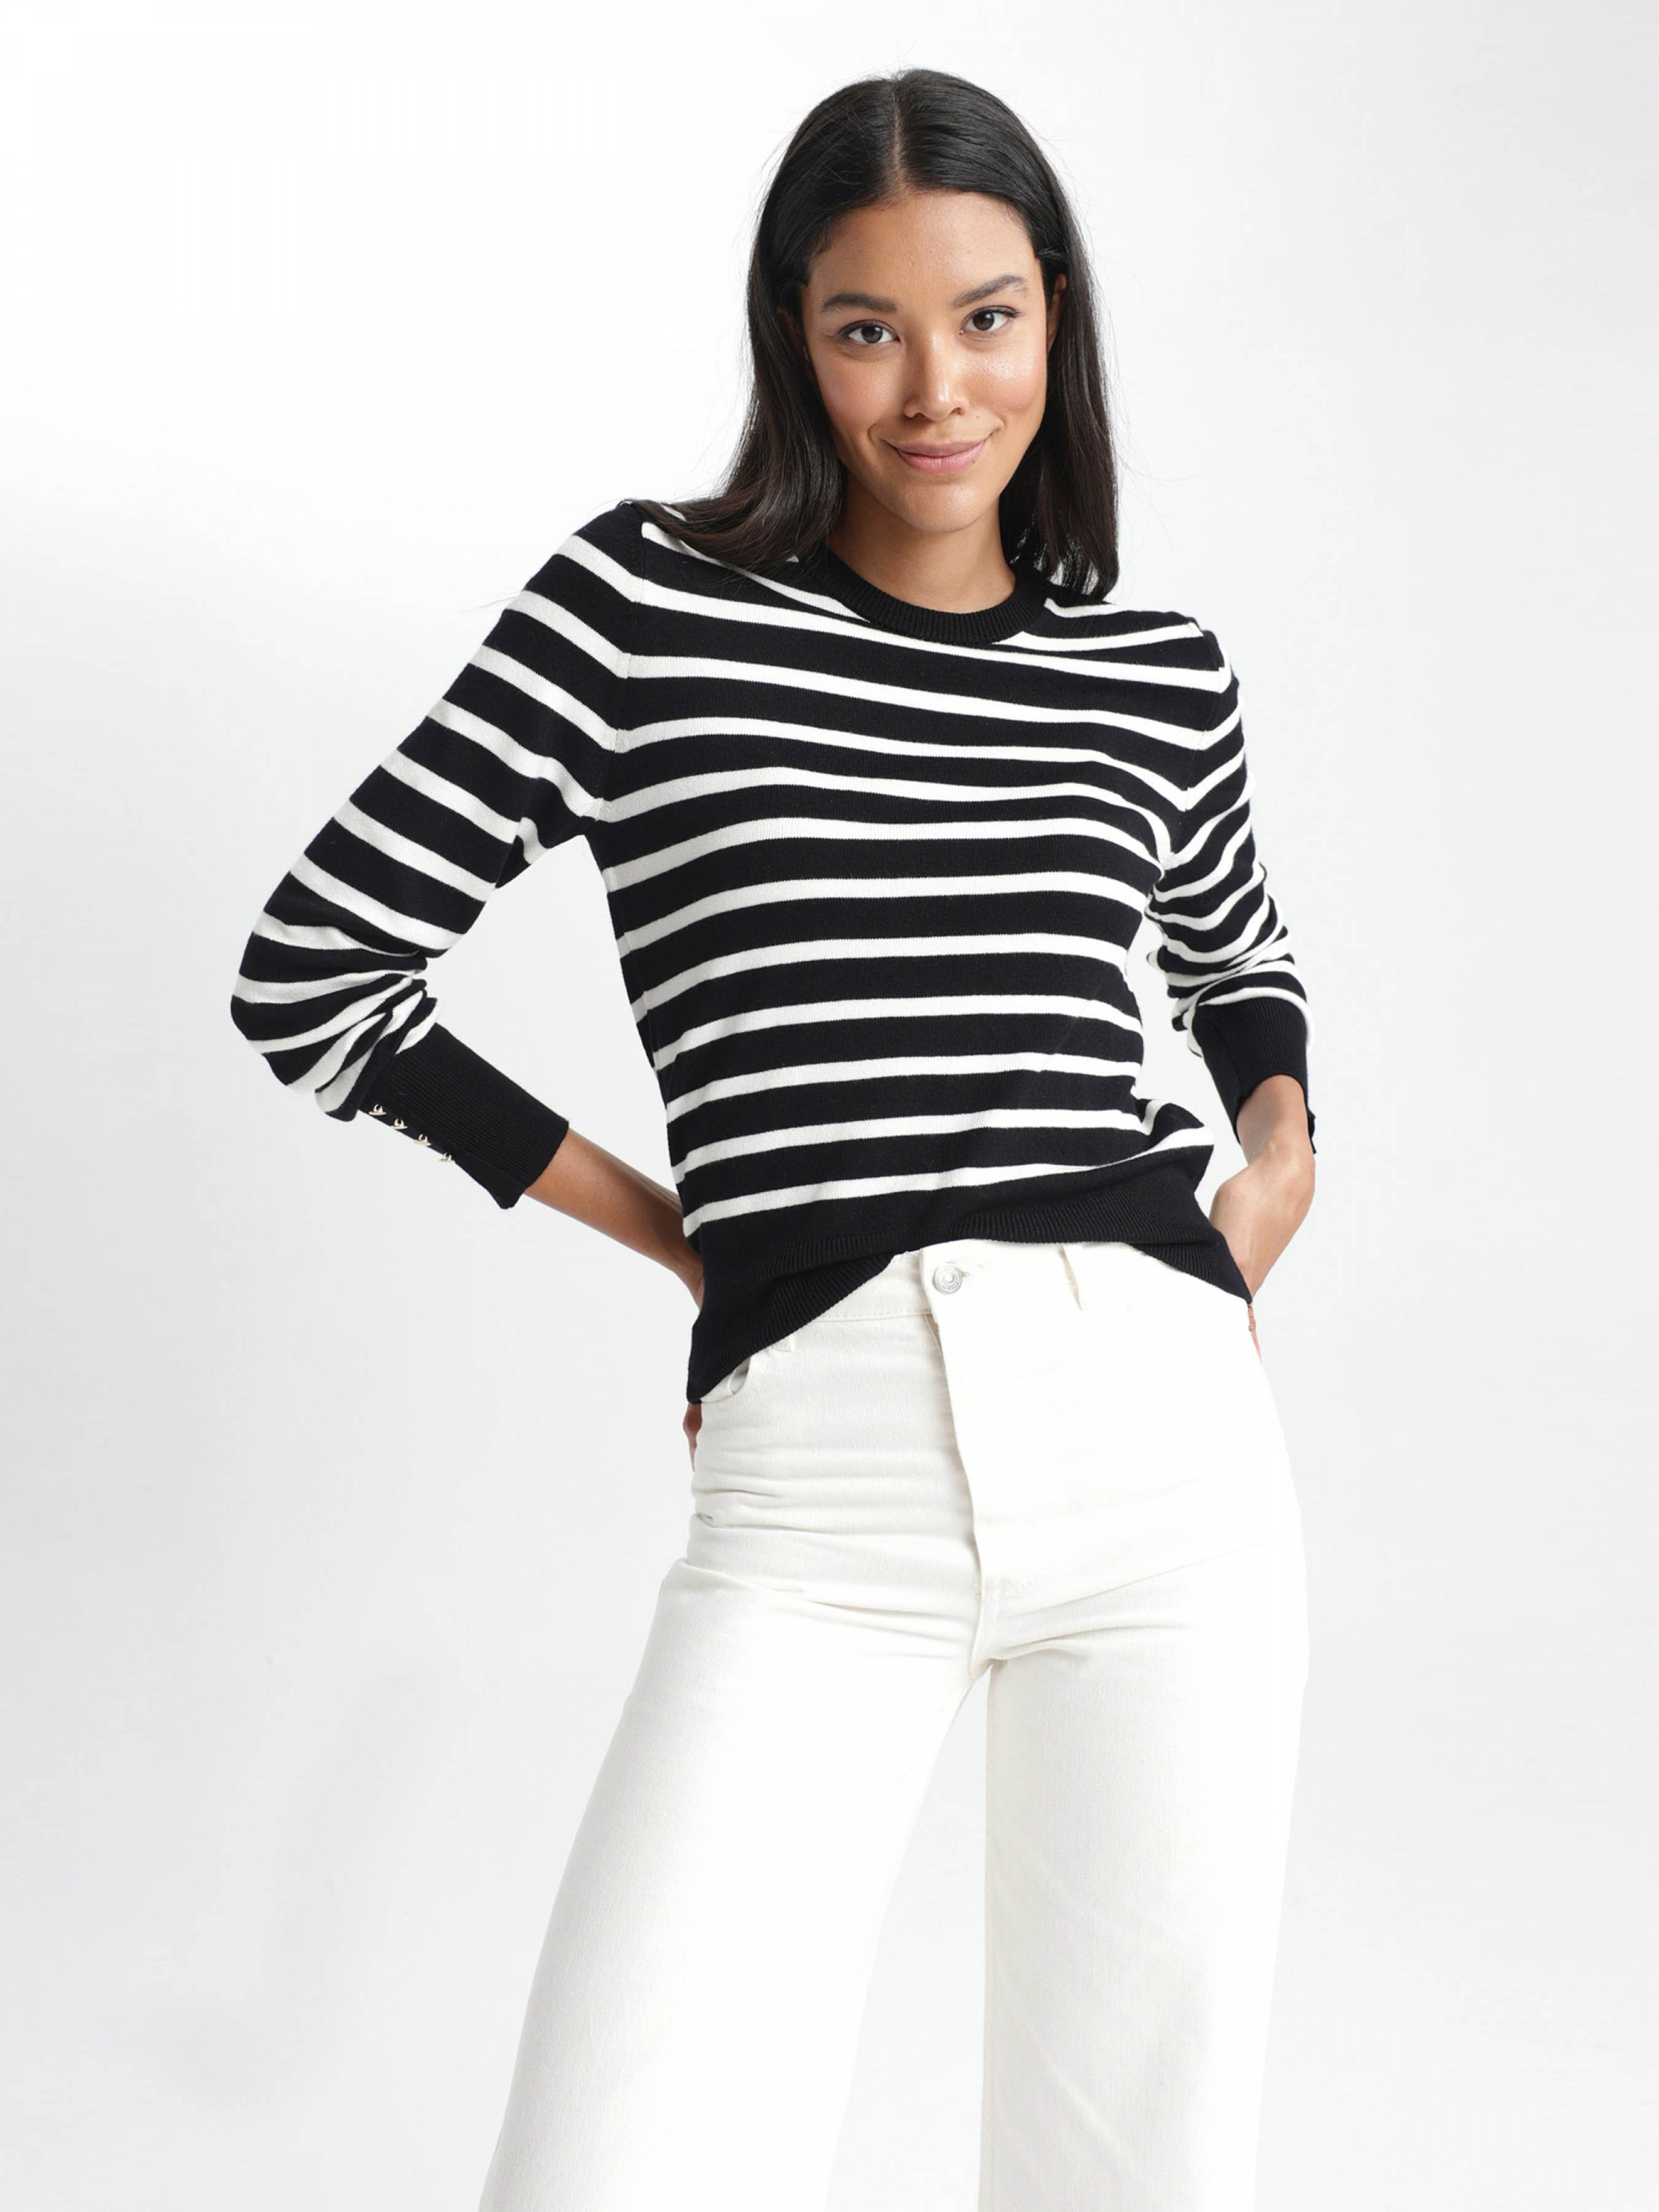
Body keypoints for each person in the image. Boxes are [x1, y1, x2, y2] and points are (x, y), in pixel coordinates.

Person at [230, 64, 1318, 2212]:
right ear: (791, 339)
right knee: (616, 2161)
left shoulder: (1155, 667)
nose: (935, 388)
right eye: (866, 327)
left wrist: (1273, 1152)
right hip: (822, 1464)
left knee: (1133, 2171)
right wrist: (689, 1242)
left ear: (1056, 315)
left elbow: (1234, 946)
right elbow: (316, 971)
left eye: (986, 318)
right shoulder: (640, 606)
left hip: (1168, 1438)